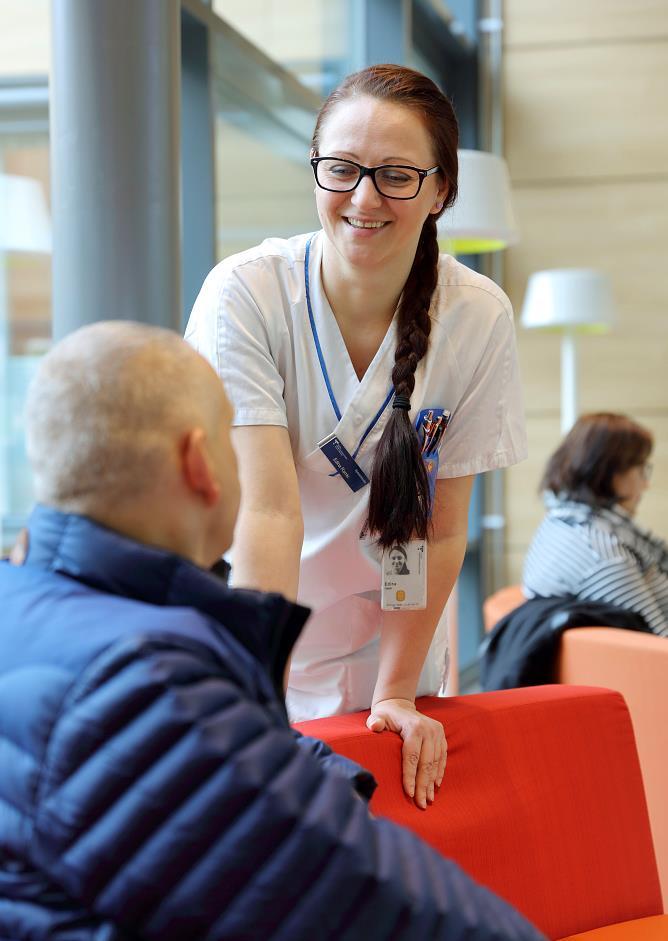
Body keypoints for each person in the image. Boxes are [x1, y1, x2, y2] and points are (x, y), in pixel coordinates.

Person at [0, 321, 545, 941]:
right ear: (200, 462)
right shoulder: (142, 683)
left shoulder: (34, 608)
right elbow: (380, 905)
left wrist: (311, 776)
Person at [186, 63, 527, 808]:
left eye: (397, 174)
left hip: (397, 650)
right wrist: (257, 695)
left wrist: (398, 691)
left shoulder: (477, 317)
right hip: (271, 639)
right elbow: (266, 512)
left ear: (441, 190)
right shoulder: (247, 294)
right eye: (341, 169)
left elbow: (439, 530)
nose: (364, 197)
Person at [523, 412, 668, 635]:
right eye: (641, 469)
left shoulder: (561, 521)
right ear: (610, 472)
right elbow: (656, 646)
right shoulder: (603, 554)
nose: (646, 484)